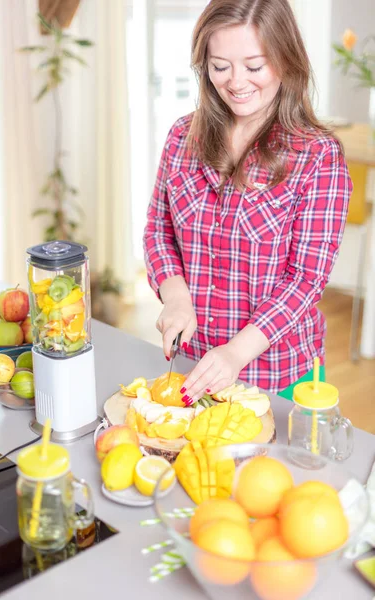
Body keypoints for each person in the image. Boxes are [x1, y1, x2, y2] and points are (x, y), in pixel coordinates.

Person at [143, 0, 352, 406]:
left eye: (254, 67)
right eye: (221, 66)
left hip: (278, 375)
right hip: (194, 365)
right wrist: (176, 297)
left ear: (286, 60)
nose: (236, 82)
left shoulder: (318, 156)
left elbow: (304, 281)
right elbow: (158, 230)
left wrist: (237, 353)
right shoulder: (181, 138)